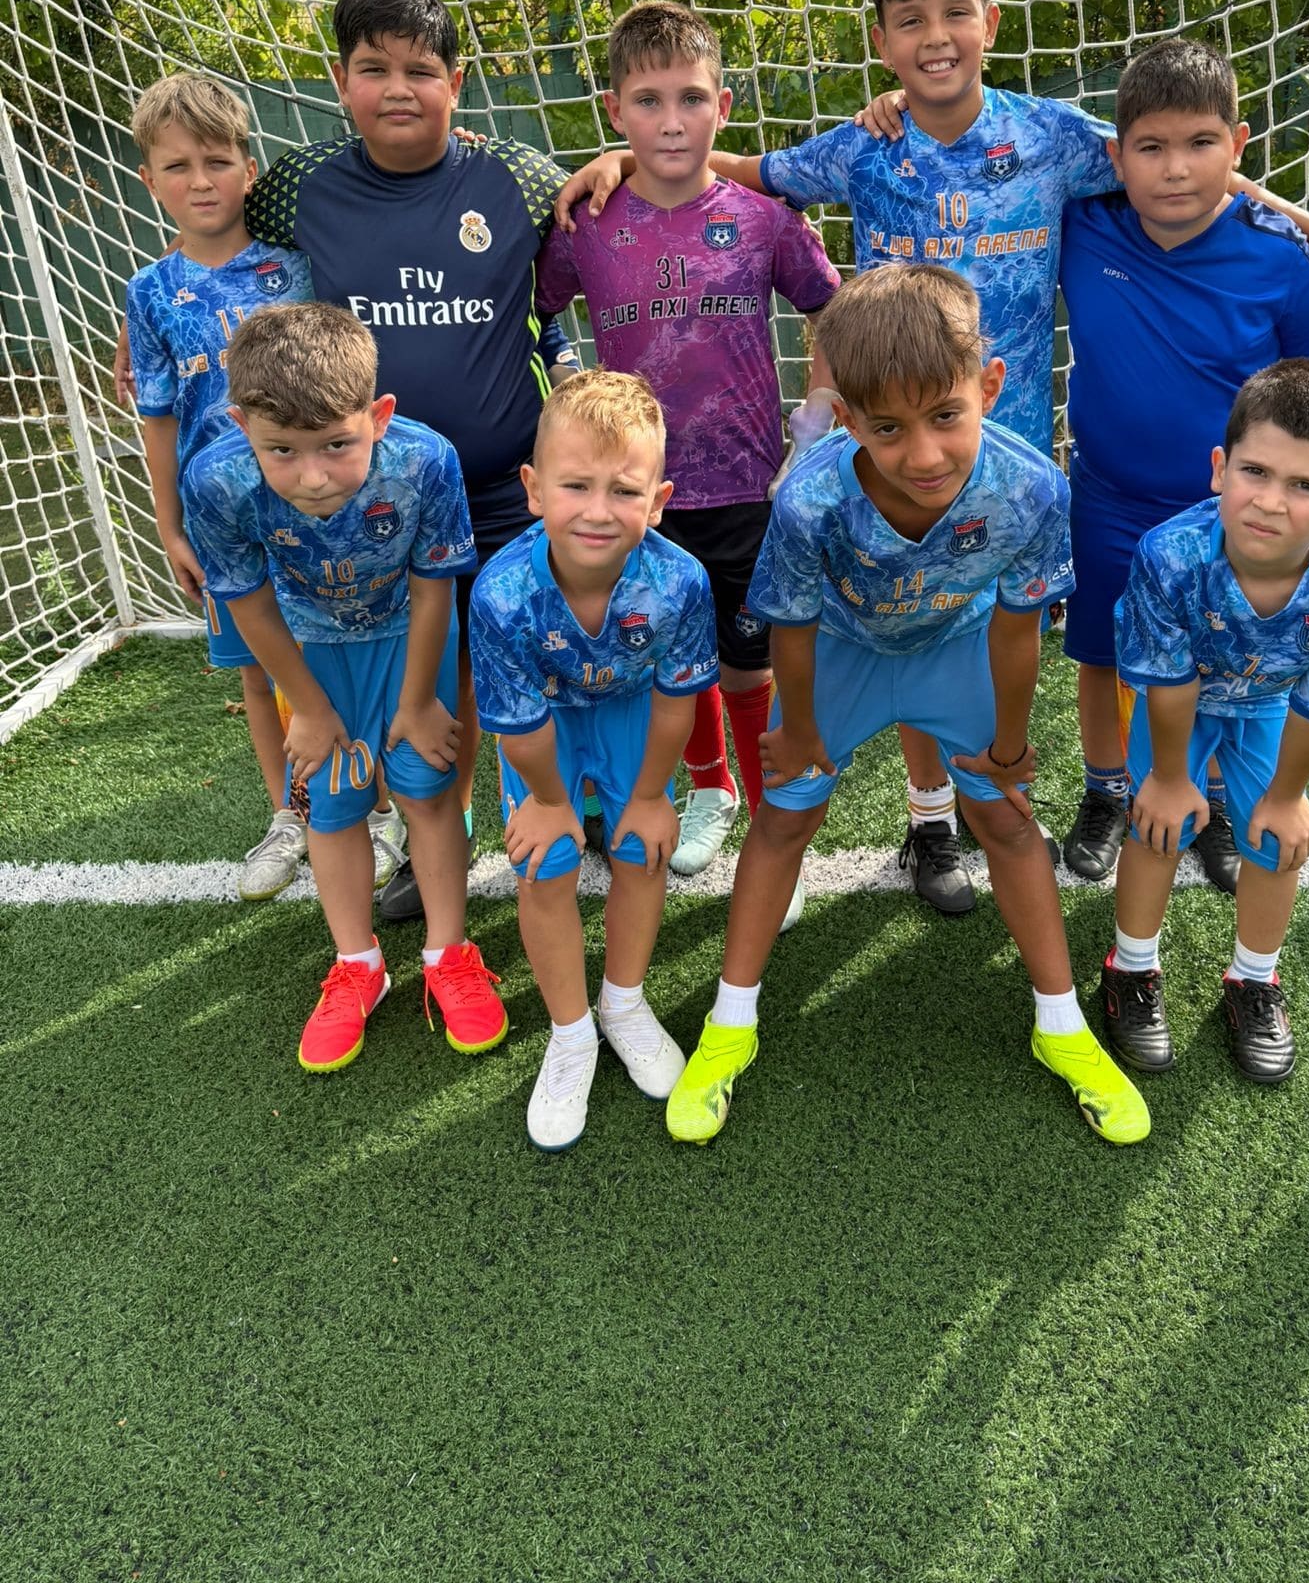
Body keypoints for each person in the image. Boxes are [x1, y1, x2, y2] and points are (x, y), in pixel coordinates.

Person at [554, 0, 1309, 919]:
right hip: (895, 456)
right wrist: (625, 157)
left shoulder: (1054, 137)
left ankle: (1027, 794)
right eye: (911, 19)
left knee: (1001, 642)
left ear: (990, 22)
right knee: (912, 623)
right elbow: (750, 168)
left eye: (956, 14)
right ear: (882, 40)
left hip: (1009, 459)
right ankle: (930, 813)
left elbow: (1176, 153)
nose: (936, 36)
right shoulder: (866, 143)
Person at [115, 0, 576, 921]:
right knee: (433, 673)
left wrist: (615, 159)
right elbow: (218, 245)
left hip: (508, 483)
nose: (398, 88)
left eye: (421, 70)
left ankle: (567, 805)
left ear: (456, 81)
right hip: (364, 494)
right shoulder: (297, 185)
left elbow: (596, 203)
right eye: (374, 69)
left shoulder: (521, 176)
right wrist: (151, 321)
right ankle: (433, 826)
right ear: (339, 80)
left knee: (533, 651)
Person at [664, 264, 1152, 1149]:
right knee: (783, 818)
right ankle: (729, 1022)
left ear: (990, 387)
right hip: (842, 654)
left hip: (954, 649)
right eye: (888, 428)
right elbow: (793, 626)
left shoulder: (1031, 487)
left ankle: (1062, 1024)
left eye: (945, 416)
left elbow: (1016, 627)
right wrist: (797, 729)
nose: (923, 455)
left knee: (1006, 821)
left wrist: (1010, 741)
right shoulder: (810, 498)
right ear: (847, 418)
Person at [533, 1, 840, 908]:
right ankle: (712, 787)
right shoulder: (586, 224)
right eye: (648, 101)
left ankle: (772, 838)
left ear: (724, 105)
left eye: (692, 99)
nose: (672, 122)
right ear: (614, 110)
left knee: (748, 663)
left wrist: (818, 410)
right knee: (669, 653)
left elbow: (833, 309)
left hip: (744, 485)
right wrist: (566, 382)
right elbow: (536, 313)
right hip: (633, 495)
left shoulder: (762, 217)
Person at [182, 302, 508, 1072]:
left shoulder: (425, 460)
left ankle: (449, 953)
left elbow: (434, 587)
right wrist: (309, 707)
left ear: (379, 416)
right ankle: (357, 964)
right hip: (311, 650)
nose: (313, 476)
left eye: (336, 444)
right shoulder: (216, 479)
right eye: (282, 450)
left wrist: (419, 701)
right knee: (330, 807)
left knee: (429, 792)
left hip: (411, 638)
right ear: (241, 426)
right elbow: (249, 603)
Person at [1056, 37, 1309, 894]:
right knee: (1101, 653)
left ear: (1237, 146)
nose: (1176, 168)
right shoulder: (1085, 224)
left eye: (1200, 144)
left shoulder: (1281, 259)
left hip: (1229, 517)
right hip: (1108, 498)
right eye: (1151, 147)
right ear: (1118, 157)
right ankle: (1106, 790)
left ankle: (1214, 800)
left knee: (1223, 663)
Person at [1105, 360, 1309, 1083]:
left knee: (1277, 839)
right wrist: (1169, 777)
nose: (1269, 501)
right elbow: (1171, 682)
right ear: (1219, 468)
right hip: (1183, 698)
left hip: (1270, 701)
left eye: (1305, 486)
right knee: (1158, 822)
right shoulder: (1169, 556)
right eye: (1255, 472)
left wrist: (1288, 795)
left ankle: (1254, 979)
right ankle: (1130, 969)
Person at [468, 371, 720, 1150]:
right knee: (544, 867)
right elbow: (519, 727)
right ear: (533, 489)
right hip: (543, 727)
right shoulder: (501, 595)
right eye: (576, 485)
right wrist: (549, 803)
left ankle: (623, 1001)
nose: (599, 510)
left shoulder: (680, 582)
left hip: (631, 713)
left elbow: (677, 701)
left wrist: (650, 795)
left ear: (659, 500)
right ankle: (571, 1031)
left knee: (643, 850)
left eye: (624, 490)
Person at [124, 72, 315, 900]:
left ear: (248, 168)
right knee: (257, 671)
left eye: (216, 161)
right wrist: (170, 527)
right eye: (177, 166)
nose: (199, 182)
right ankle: (287, 817)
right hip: (220, 519)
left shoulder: (297, 268)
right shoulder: (148, 292)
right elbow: (158, 417)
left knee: (333, 659)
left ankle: (372, 809)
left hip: (315, 504)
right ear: (150, 180)